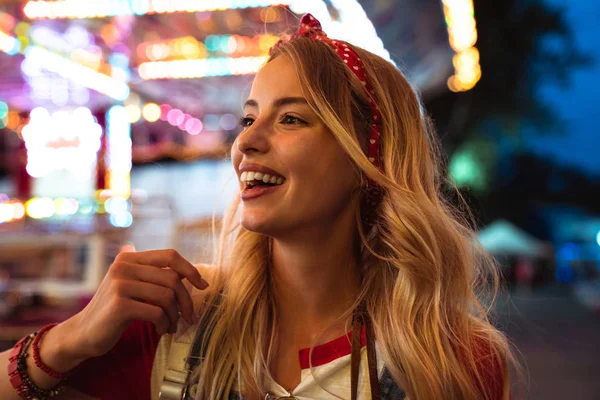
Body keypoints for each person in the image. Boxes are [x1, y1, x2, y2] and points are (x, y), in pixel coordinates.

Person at [1, 13, 518, 400]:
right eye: (248, 119)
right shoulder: (171, 319)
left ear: (368, 158)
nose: (246, 143)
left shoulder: (449, 361)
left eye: (291, 119)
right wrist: (68, 341)